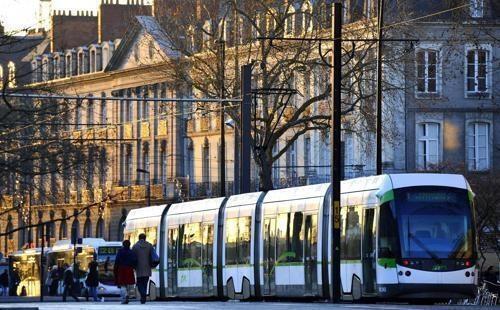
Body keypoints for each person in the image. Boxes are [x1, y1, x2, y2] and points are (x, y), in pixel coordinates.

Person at [132, 233, 153, 304]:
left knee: (139, 283)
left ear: (139, 238)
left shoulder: (135, 246)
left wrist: (133, 266)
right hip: (147, 268)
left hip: (139, 268)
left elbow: (133, 257)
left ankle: (143, 294)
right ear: (145, 238)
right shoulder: (150, 246)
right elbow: (152, 256)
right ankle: (143, 295)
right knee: (145, 283)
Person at [114, 240, 137, 304]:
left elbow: (117, 260)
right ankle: (127, 295)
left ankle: (125, 296)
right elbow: (134, 260)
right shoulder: (131, 252)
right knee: (127, 283)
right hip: (129, 269)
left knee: (122, 284)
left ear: (123, 245)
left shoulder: (120, 251)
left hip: (121, 268)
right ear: (129, 245)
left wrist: (115, 269)